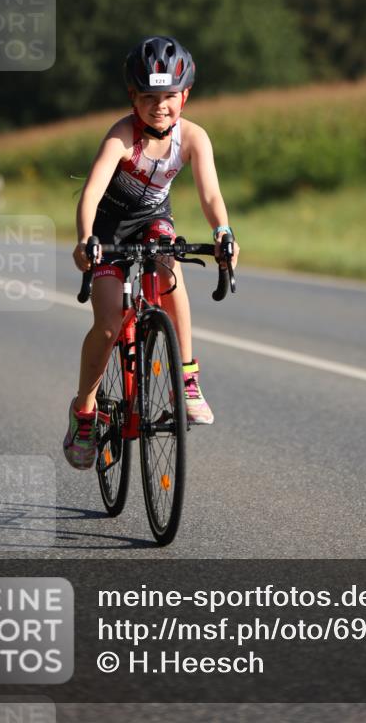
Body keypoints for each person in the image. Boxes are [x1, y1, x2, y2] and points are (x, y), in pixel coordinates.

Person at [63, 35, 240, 470]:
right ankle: (85, 411)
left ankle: (186, 377)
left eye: (168, 97)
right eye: (147, 97)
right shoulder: (122, 136)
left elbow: (211, 195)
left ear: (185, 95)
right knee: (107, 325)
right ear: (132, 97)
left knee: (169, 269)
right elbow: (91, 193)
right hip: (110, 228)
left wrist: (223, 232)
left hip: (153, 219)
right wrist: (87, 238)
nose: (159, 106)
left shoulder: (194, 137)